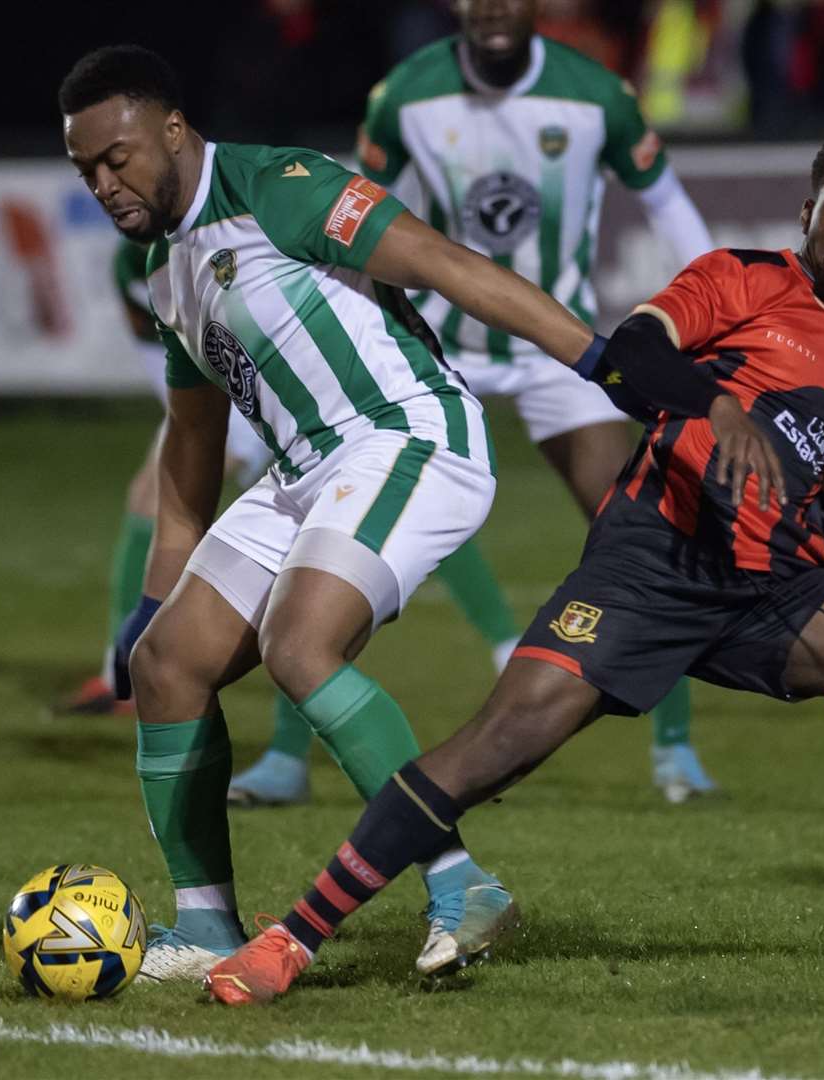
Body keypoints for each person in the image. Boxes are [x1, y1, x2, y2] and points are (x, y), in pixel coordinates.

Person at [205, 128, 824, 1005]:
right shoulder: (743, 279)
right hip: (650, 567)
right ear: (809, 209)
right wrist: (715, 405)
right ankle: (290, 940)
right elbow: (637, 350)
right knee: (493, 749)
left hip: (768, 593)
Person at [58, 44, 601, 982]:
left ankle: (460, 882)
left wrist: (595, 357)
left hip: (408, 432)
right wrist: (153, 602)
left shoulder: (283, 186)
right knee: (167, 664)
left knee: (299, 645)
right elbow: (191, 450)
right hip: (305, 467)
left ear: (174, 131)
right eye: (86, 170)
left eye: (119, 158)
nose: (105, 183)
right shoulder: (164, 273)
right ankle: (206, 926)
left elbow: (444, 263)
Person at [229, 0, 721, 809]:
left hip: (551, 345)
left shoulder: (597, 94)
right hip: (439, 342)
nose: (491, 4)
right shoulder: (405, 95)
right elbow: (346, 223)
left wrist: (718, 313)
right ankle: (286, 758)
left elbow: (668, 203)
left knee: (641, 527)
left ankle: (676, 752)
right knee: (335, 528)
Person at [59, 240, 271, 717]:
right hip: (209, 394)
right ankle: (126, 678)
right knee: (148, 498)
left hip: (264, 389)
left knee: (302, 573)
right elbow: (162, 365)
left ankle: (138, 677)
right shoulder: (132, 264)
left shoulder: (218, 238)